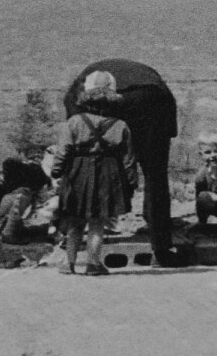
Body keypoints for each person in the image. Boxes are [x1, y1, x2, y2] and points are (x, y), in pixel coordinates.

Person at [63, 59, 182, 267]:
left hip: (103, 93)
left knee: (79, 165)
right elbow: (168, 130)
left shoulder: (78, 89)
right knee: (155, 175)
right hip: (150, 98)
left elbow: (70, 147)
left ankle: (68, 237)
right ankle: (161, 248)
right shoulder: (154, 84)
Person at [50, 70, 138, 275]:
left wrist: (56, 173)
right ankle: (93, 263)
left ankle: (68, 263)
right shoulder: (121, 126)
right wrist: (131, 182)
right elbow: (129, 159)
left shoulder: (73, 122)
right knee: (97, 222)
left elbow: (63, 151)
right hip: (109, 173)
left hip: (78, 172)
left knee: (74, 220)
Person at [0, 156, 54, 244]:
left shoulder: (25, 173)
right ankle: (8, 234)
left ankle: (14, 226)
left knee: (24, 196)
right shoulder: (23, 178)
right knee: (23, 197)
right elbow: (39, 200)